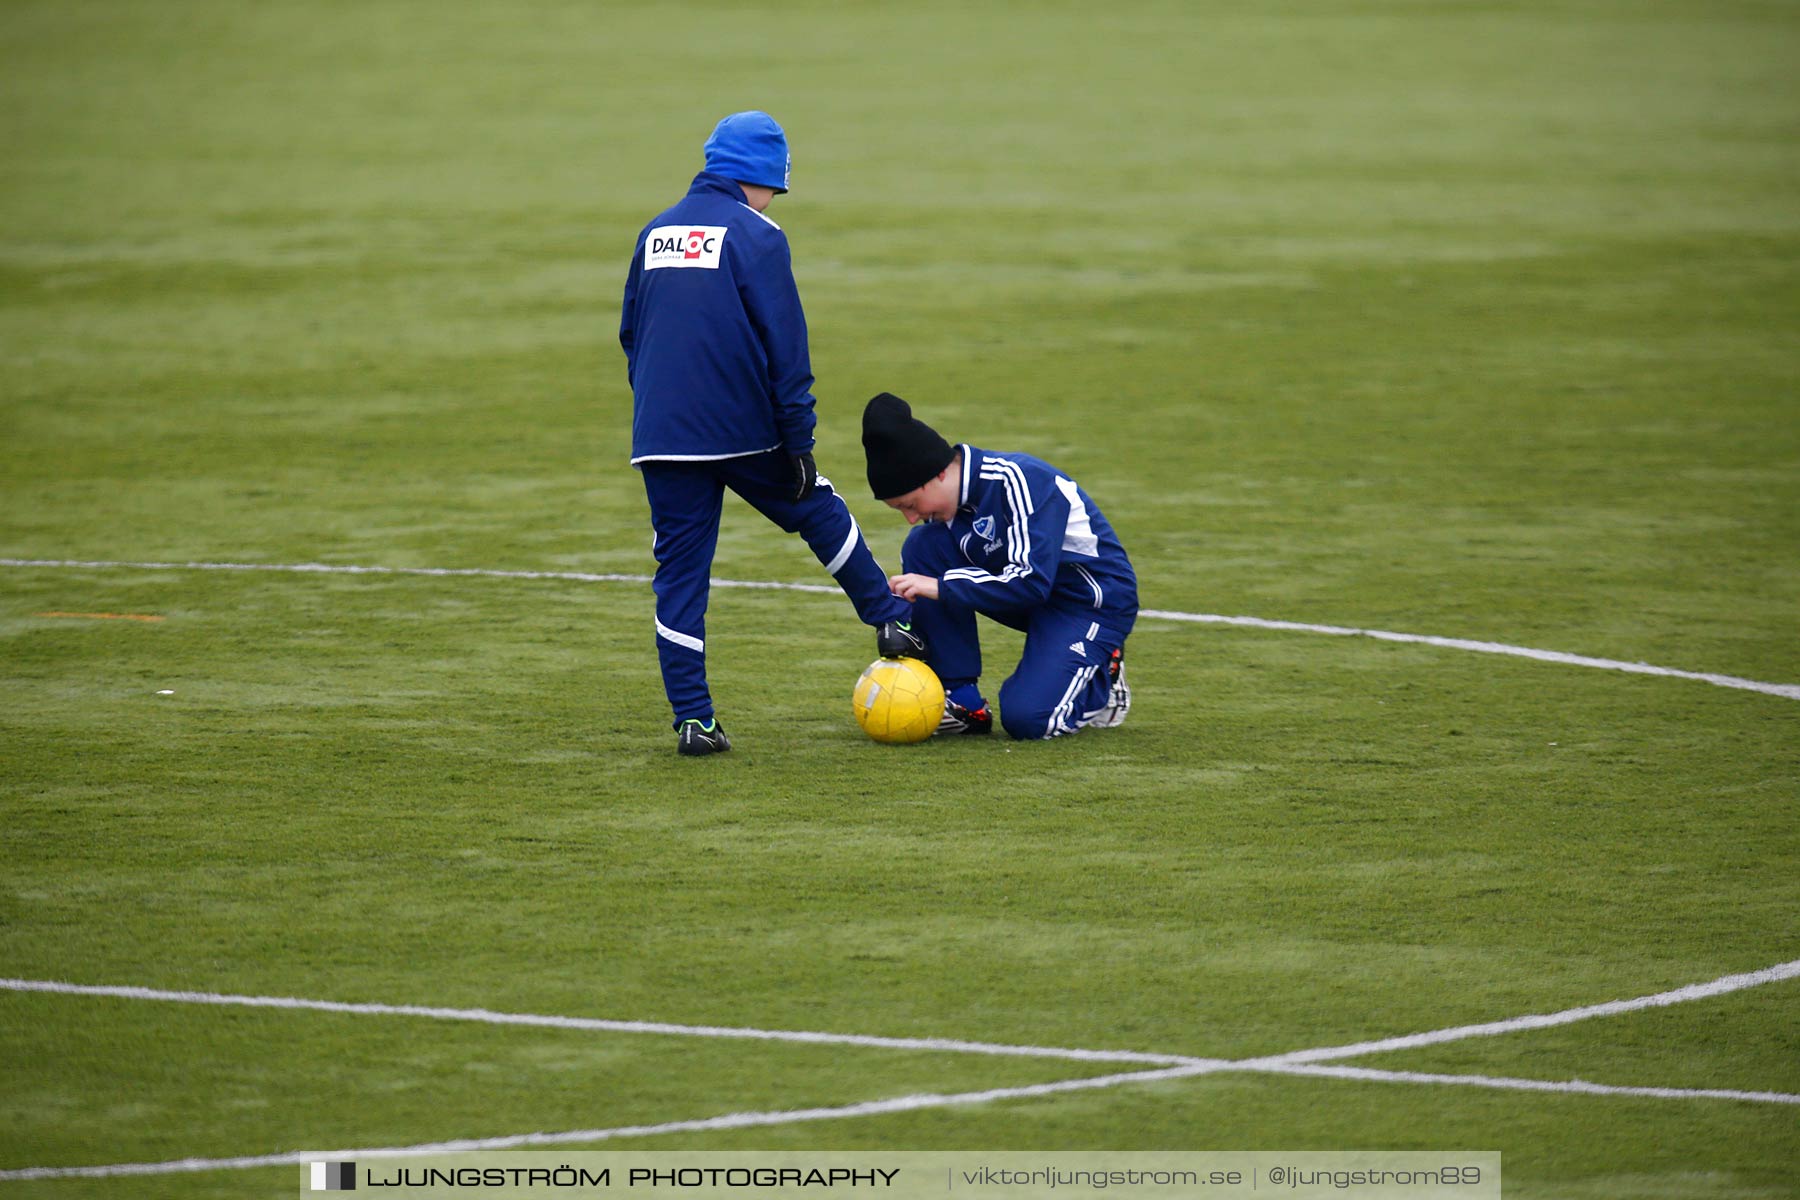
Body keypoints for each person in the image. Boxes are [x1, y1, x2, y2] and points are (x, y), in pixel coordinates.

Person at [619, 112, 924, 756]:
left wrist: (662, 407)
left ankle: (694, 722)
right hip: (740, 427)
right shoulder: (756, 234)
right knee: (815, 504)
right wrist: (799, 443)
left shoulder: (654, 232)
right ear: (759, 179)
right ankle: (895, 624)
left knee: (678, 577)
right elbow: (786, 348)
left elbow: (630, 334)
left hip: (661, 433)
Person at [862, 392, 1137, 740]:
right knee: (922, 546)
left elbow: (1031, 582)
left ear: (938, 474)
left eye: (911, 504)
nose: (911, 518)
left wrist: (941, 587)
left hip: (1090, 605)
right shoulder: (948, 510)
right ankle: (962, 704)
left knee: (1028, 720)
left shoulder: (1023, 481)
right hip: (1034, 599)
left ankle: (1104, 668)